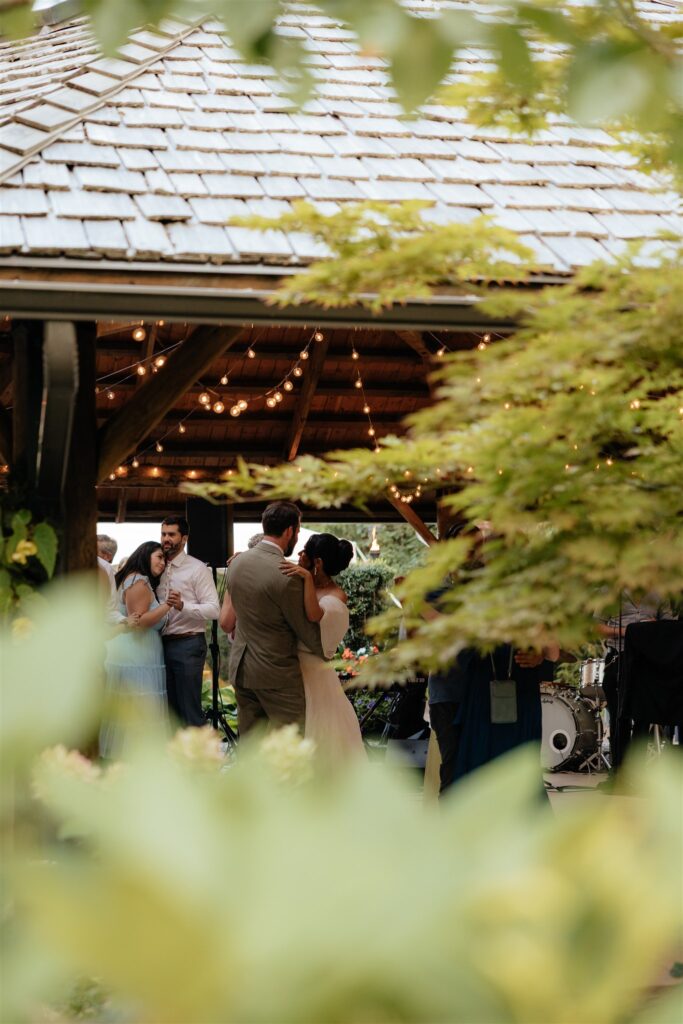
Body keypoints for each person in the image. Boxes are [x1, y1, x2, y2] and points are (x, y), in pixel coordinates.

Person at [225, 501, 326, 735]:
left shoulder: (236, 563)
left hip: (241, 669)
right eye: (298, 531)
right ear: (290, 531)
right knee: (290, 747)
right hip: (276, 673)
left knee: (251, 748)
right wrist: (327, 652)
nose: (297, 537)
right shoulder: (287, 574)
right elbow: (304, 626)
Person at [279, 533, 365, 761]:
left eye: (305, 552)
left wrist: (307, 579)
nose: (299, 555)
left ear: (317, 563)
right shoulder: (300, 581)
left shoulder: (336, 596)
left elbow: (314, 615)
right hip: (290, 671)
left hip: (314, 675)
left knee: (318, 735)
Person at [101, 541, 170, 758]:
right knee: (139, 710)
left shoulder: (133, 578)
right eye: (159, 557)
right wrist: (168, 605)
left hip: (136, 653)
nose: (163, 562)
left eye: (165, 559)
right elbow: (139, 623)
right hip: (136, 654)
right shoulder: (138, 580)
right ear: (146, 554)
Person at [158, 515, 220, 728]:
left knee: (190, 711)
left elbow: (214, 609)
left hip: (188, 644)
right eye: (163, 533)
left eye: (171, 534)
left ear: (183, 539)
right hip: (159, 645)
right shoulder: (157, 566)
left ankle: (202, 760)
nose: (166, 539)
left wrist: (183, 606)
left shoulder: (197, 569)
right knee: (169, 713)